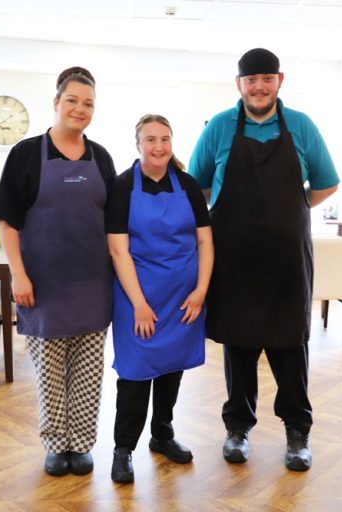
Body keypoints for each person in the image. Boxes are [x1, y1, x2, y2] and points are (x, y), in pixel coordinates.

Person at [188, 48, 339, 472]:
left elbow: (326, 184)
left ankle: (297, 434)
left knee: (291, 348)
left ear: (280, 81)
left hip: (287, 263)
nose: (258, 86)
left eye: (266, 78)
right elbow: (197, 187)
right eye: (250, 79)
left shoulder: (302, 127)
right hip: (234, 261)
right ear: (239, 84)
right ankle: (237, 429)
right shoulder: (219, 127)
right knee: (239, 348)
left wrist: (290, 210)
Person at [0, 66, 116, 477]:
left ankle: (80, 445)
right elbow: (7, 221)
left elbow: (117, 224)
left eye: (88, 103)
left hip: (93, 283)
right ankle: (54, 444)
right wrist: (18, 275)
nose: (80, 109)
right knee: (48, 374)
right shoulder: (26, 154)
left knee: (88, 372)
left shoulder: (102, 157)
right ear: (57, 102)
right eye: (73, 100)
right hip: (42, 283)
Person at [105, 114, 214, 484]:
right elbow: (119, 251)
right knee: (135, 375)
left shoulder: (186, 184)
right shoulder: (121, 187)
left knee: (172, 367)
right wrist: (138, 303)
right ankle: (123, 449)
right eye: (150, 140)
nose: (159, 147)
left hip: (184, 297)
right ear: (138, 145)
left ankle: (162, 434)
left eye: (165, 139)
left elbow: (205, 241)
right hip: (138, 296)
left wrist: (200, 291)